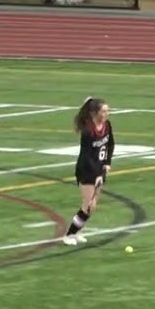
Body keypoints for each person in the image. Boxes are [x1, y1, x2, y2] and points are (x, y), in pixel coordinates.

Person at [62, 97, 115, 246]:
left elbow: (111, 144)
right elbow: (87, 156)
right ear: (95, 113)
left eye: (107, 111)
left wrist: (107, 163)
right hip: (86, 170)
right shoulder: (88, 131)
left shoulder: (107, 125)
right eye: (104, 111)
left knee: (93, 205)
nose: (106, 113)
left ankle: (78, 231)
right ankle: (69, 234)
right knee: (88, 205)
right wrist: (97, 174)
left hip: (99, 169)